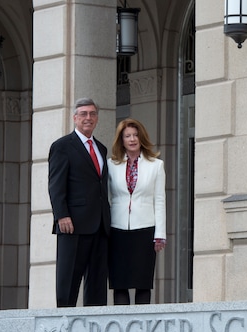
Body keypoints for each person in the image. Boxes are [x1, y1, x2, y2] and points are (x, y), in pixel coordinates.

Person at [48, 98, 111, 307]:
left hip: (100, 225)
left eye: (92, 114)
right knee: (68, 282)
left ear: (97, 119)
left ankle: (96, 329)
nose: (88, 118)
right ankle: (63, 325)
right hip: (72, 224)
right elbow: (56, 185)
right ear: (75, 118)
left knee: (97, 283)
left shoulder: (101, 149)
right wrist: (61, 215)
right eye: (83, 114)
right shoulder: (62, 146)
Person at [107, 118, 166, 305]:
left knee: (142, 282)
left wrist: (160, 234)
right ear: (121, 140)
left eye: (135, 135)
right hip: (117, 228)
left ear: (142, 138)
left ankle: (142, 329)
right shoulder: (111, 165)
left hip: (145, 228)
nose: (132, 139)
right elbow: (106, 197)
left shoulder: (156, 165)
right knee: (120, 283)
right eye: (127, 136)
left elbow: (159, 200)